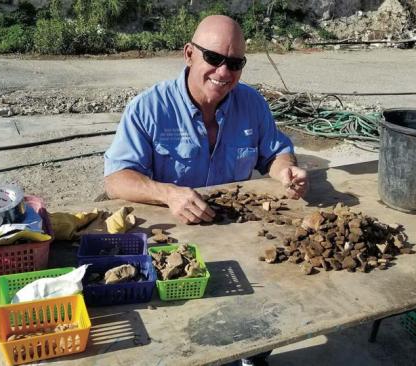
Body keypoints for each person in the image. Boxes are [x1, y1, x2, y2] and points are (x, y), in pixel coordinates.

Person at [103, 15, 308, 366]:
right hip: (180, 247)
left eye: (235, 63)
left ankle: (254, 354)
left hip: (242, 236)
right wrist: (169, 194)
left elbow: (274, 153)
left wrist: (286, 170)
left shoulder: (252, 104)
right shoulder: (149, 108)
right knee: (192, 335)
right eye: (213, 58)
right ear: (189, 54)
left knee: (267, 305)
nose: (223, 72)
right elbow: (116, 179)